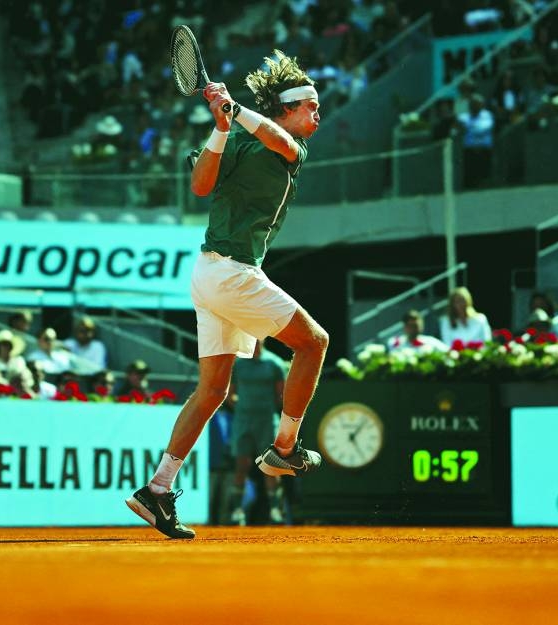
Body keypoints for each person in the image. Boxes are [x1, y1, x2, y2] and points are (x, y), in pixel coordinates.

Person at [126, 50, 327, 539]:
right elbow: (200, 186)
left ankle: (157, 488)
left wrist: (235, 114)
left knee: (213, 390)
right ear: (288, 106)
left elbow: (277, 139)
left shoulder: (286, 144)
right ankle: (284, 449)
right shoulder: (236, 137)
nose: (318, 115)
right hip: (229, 273)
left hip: (213, 276)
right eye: (311, 107)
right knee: (314, 343)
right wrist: (221, 125)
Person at [227, 340, 289, 525]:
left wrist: (265, 410)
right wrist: (242, 408)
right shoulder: (238, 364)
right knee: (241, 464)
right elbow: (230, 394)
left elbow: (282, 395)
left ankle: (275, 511)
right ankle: (237, 511)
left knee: (270, 466)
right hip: (243, 422)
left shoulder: (275, 363)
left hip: (267, 422)